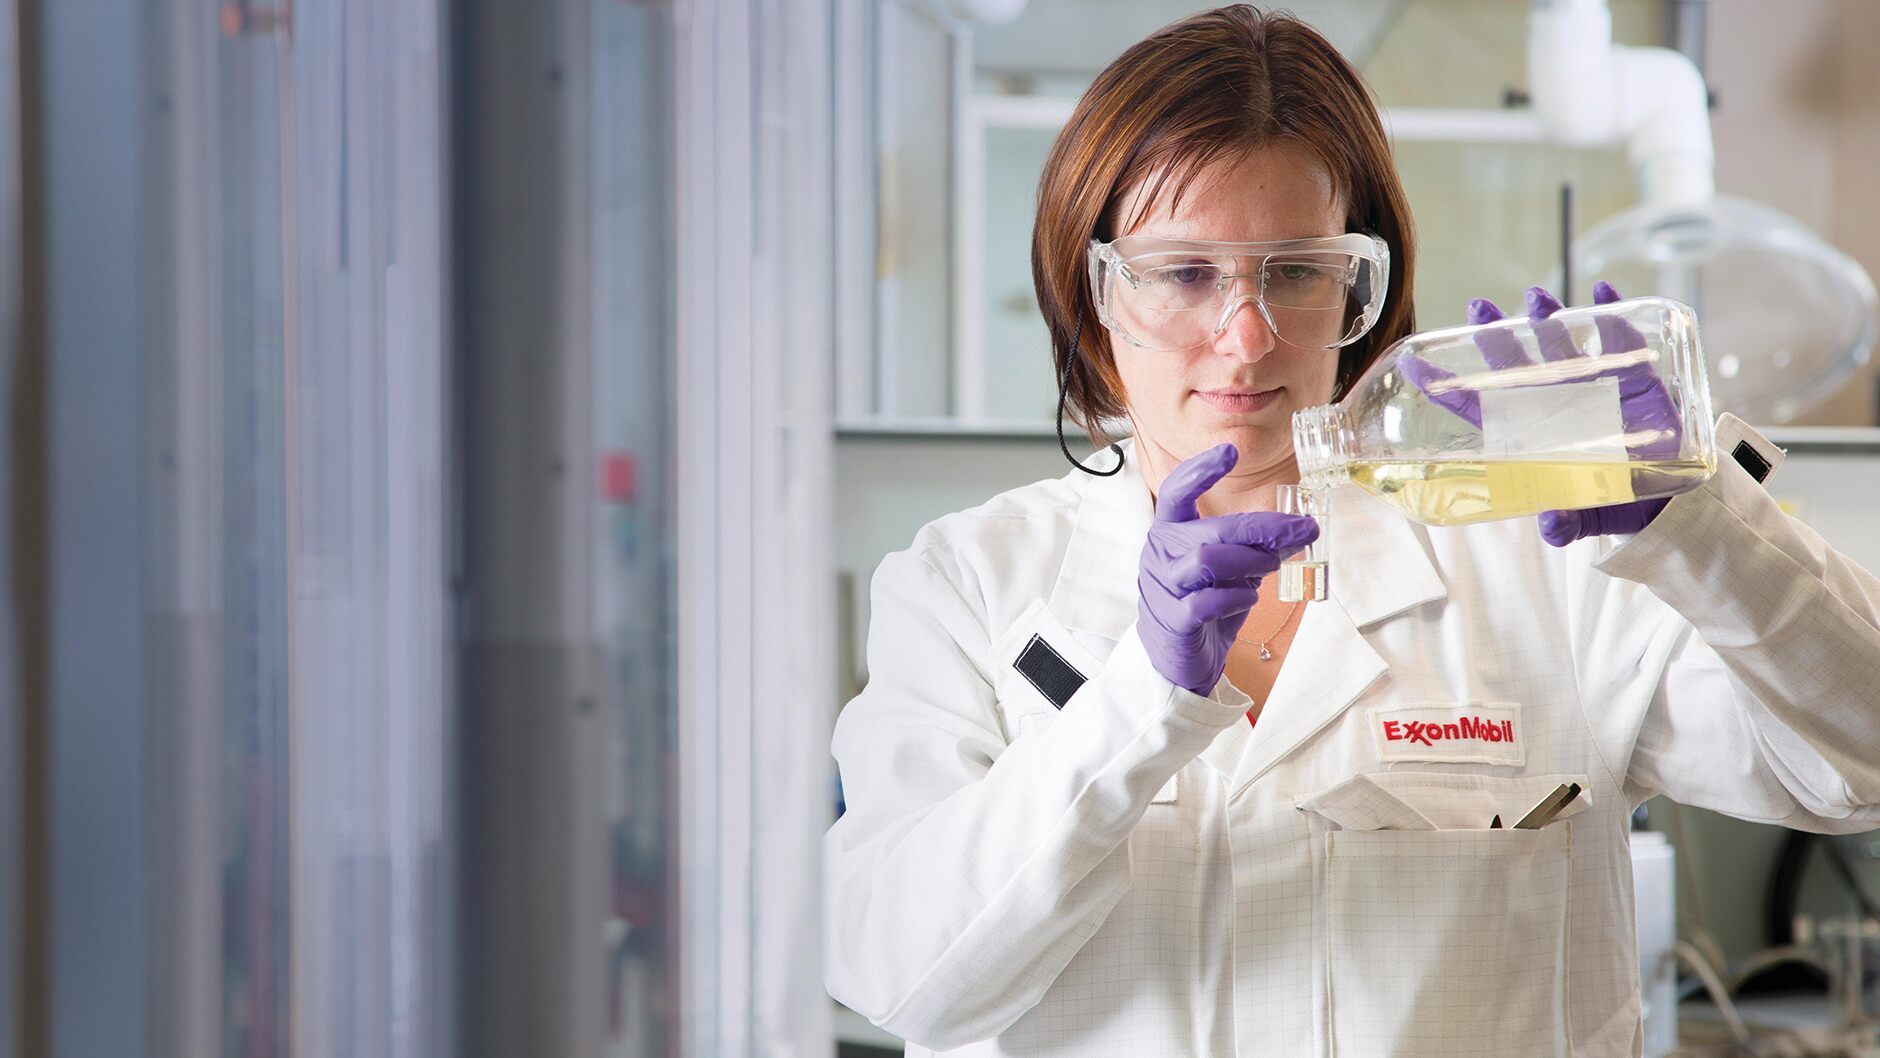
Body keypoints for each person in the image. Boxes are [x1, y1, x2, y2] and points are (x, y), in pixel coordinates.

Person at [823, 7, 1880, 1056]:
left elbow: (1856, 765)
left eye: (1295, 271)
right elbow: (900, 977)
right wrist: (1136, 701)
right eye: (1184, 273)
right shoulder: (964, 585)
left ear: (1358, 295)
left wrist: (1705, 526)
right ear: (1093, 294)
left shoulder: (1551, 564)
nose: (1245, 338)